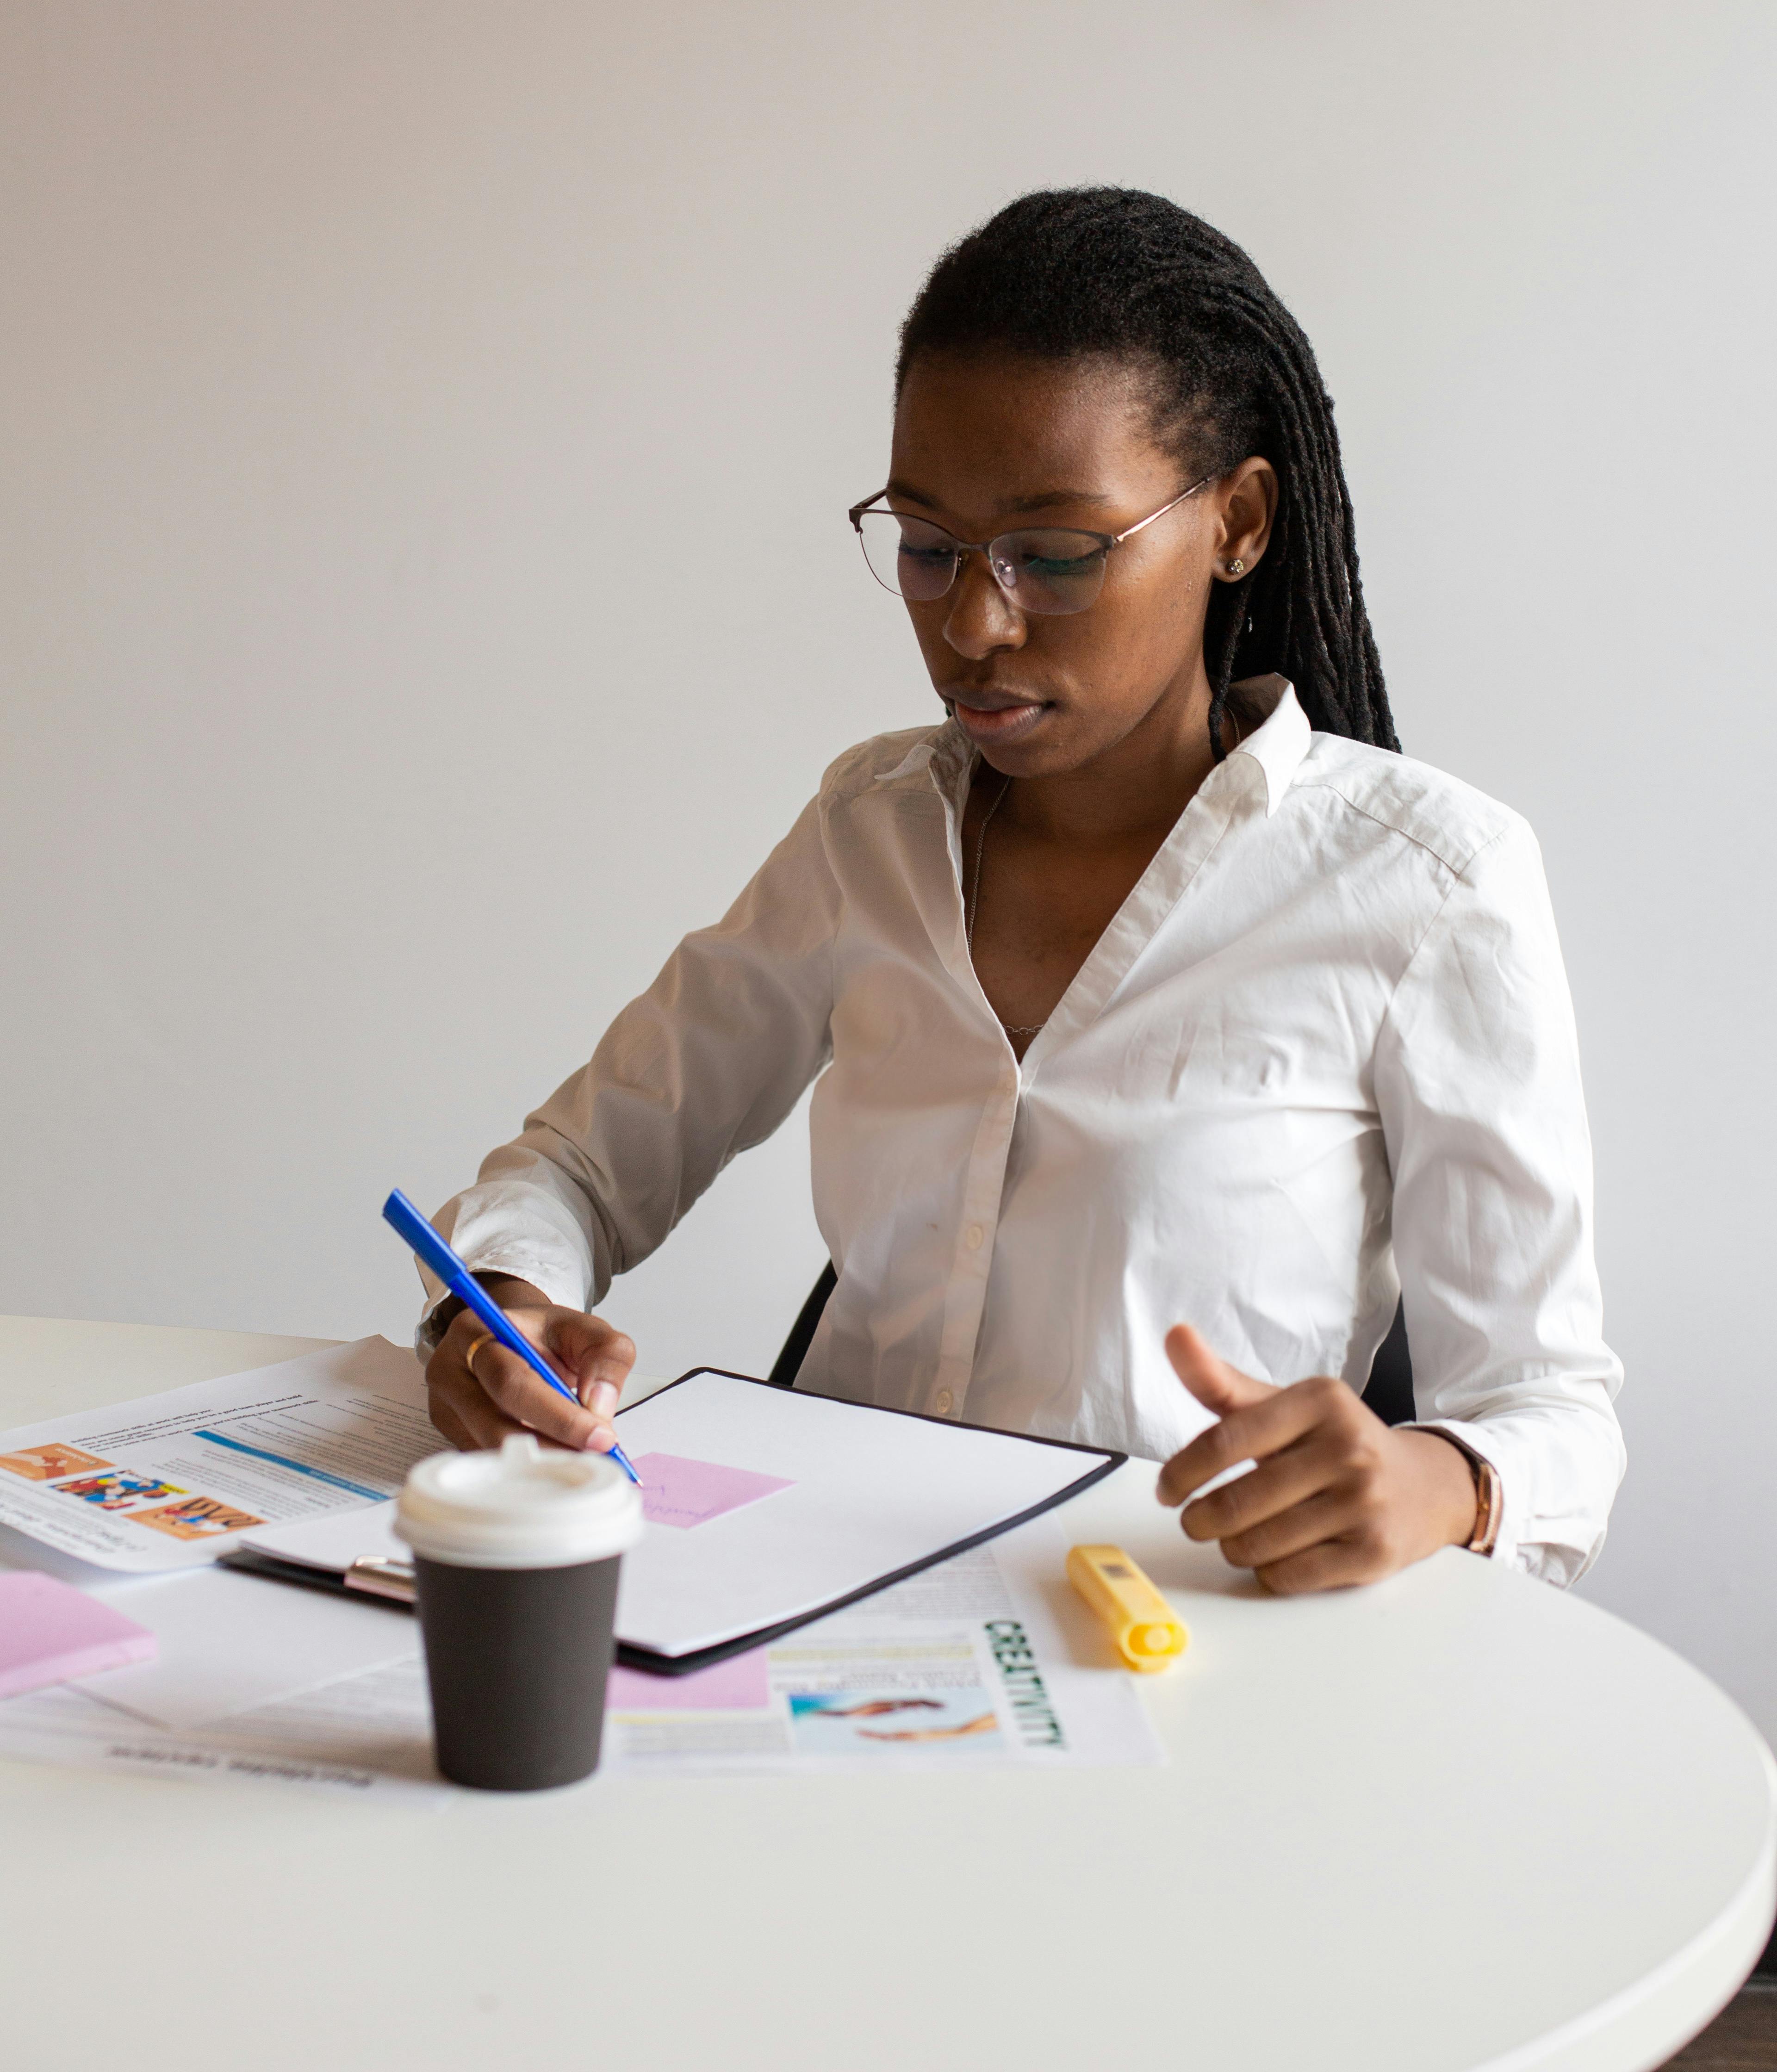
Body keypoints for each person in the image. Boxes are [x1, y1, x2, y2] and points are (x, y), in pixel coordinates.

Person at [416, 188, 1623, 1592]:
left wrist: (1437, 1481)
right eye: (928, 546)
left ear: (1236, 520)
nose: (975, 625)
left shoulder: (1427, 886)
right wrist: (501, 1310)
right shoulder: (870, 833)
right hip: (819, 1628)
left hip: (1173, 1652)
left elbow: (1555, 1423)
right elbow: (572, 1171)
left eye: (1054, 557)